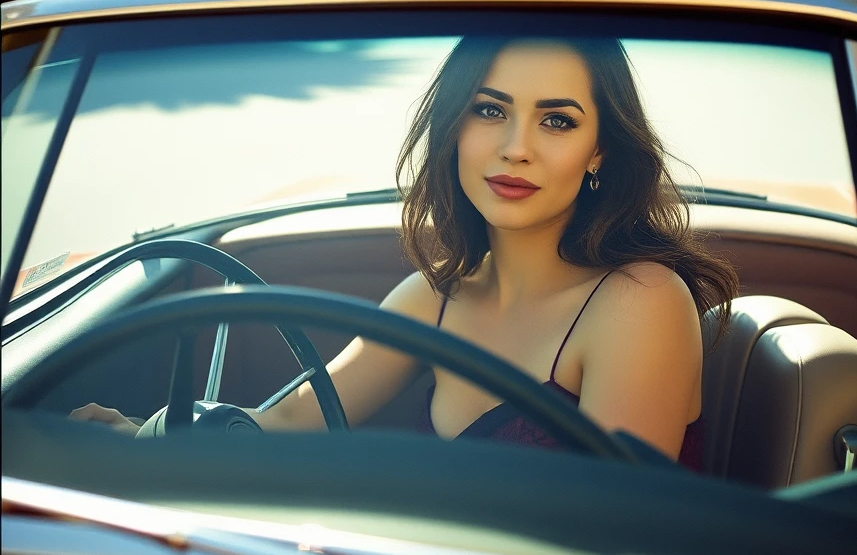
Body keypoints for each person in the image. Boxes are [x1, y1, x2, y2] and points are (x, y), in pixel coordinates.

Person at [73, 37, 737, 464]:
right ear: (454, 128)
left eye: (557, 120)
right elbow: (292, 419)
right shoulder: (433, 299)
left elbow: (620, 542)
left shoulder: (640, 301)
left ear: (599, 152)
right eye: (490, 110)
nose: (516, 147)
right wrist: (144, 437)